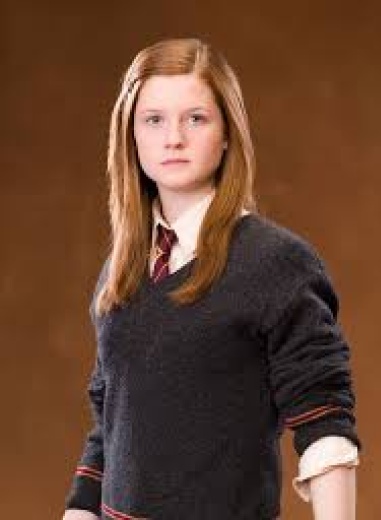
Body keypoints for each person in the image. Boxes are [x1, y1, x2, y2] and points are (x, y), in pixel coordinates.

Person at [62, 38, 361, 520]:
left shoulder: (276, 262)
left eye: (196, 118)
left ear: (227, 135)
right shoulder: (121, 270)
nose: (173, 138)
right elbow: (112, 422)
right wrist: (78, 511)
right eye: (153, 119)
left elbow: (324, 421)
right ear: (131, 136)